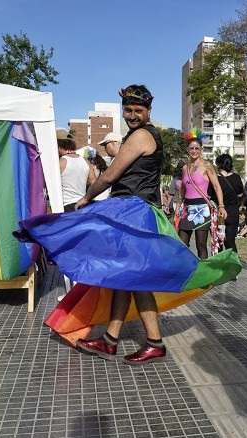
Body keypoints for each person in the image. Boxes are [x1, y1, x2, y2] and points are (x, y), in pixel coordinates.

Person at [73, 84, 168, 364]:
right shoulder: (139, 135)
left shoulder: (141, 136)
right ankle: (110, 341)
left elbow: (111, 175)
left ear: (149, 111)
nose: (133, 114)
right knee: (126, 279)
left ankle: (154, 343)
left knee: (134, 279)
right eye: (128, 109)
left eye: (139, 110)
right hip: (134, 212)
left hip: (136, 214)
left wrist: (87, 198)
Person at [175, 133, 227, 259]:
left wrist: (221, 206)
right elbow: (182, 189)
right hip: (187, 209)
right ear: (187, 150)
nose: (194, 151)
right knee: (182, 244)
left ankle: (203, 273)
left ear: (201, 149)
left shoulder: (207, 166)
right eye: (191, 148)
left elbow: (217, 187)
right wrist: (178, 206)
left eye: (197, 148)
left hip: (202, 210)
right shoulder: (185, 168)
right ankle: (185, 270)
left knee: (201, 244)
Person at [59, 129, 95, 212]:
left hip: (66, 205)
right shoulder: (86, 161)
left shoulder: (61, 162)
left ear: (59, 146)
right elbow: (94, 183)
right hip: (83, 204)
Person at [214, 154, 244, 252]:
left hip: (219, 213)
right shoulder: (236, 177)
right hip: (233, 212)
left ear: (219, 164)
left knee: (218, 240)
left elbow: (210, 195)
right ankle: (233, 263)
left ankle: (219, 264)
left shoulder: (215, 179)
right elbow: (240, 194)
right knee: (230, 241)